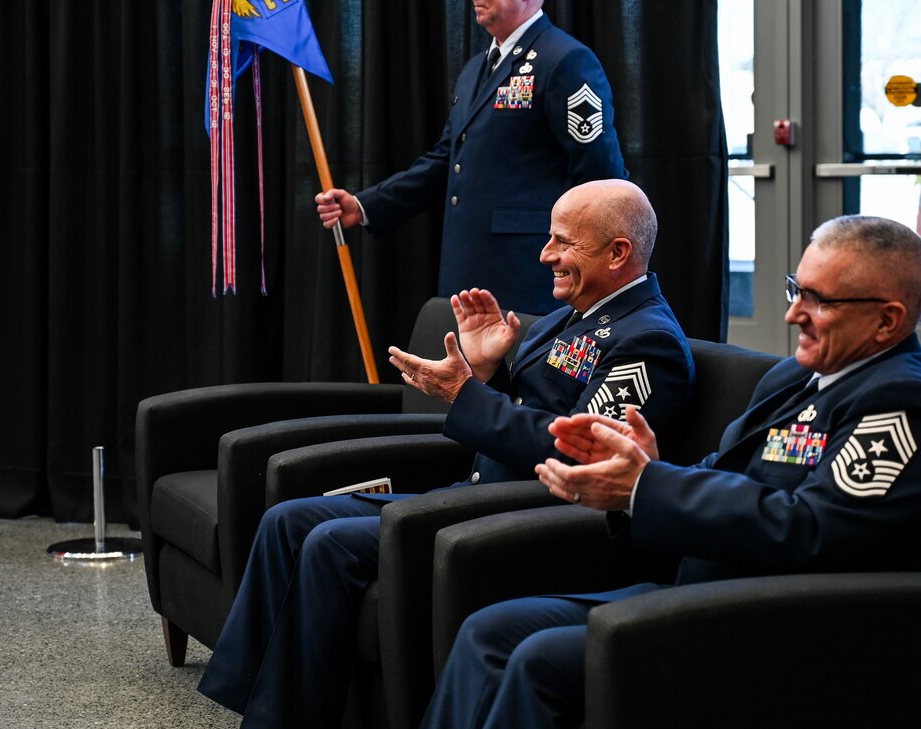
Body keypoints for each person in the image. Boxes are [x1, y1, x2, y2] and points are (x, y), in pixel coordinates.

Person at [421, 215, 921, 729]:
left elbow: (814, 527)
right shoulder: (795, 377)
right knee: (489, 630)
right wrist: (648, 471)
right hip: (702, 586)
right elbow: (722, 471)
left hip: (790, 621)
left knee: (539, 659)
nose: (794, 315)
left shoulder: (904, 401)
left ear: (887, 319)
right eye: (797, 290)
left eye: (819, 301)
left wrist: (647, 486)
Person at [197, 179, 694, 728]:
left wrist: (467, 395)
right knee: (288, 520)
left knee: (329, 540)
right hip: (476, 495)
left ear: (618, 252)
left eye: (563, 243)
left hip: (527, 514)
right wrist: (486, 372)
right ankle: (251, 702)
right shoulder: (567, 316)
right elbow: (535, 406)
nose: (545, 254)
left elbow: (581, 454)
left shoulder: (649, 341)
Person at [314, 0, 627, 315]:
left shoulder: (565, 61)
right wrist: (366, 205)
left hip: (528, 278)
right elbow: (446, 161)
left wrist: (585, 268)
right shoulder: (476, 68)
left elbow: (601, 180)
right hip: (464, 272)